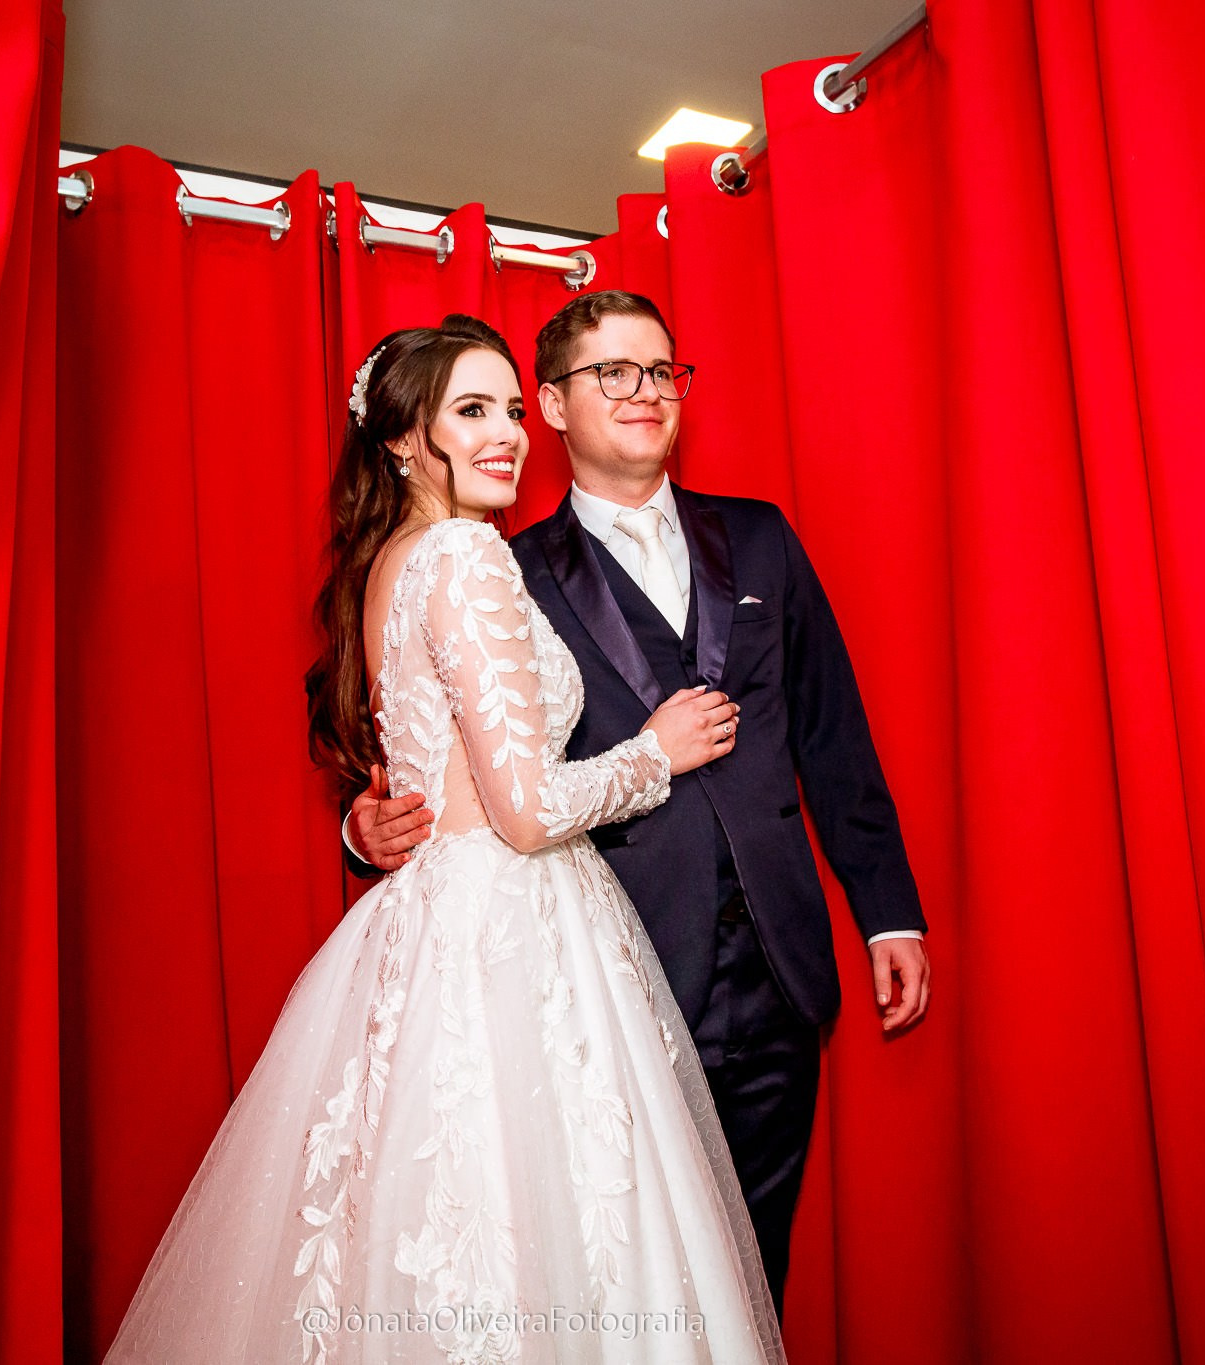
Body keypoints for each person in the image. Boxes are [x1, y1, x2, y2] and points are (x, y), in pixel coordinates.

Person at [103, 315, 787, 1363]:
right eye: (470, 411)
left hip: (428, 928)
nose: (505, 433)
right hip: (512, 925)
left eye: (511, 410)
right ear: (400, 438)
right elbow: (522, 812)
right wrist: (658, 750)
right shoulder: (467, 556)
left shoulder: (390, 564)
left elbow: (434, 772)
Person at [348, 291, 931, 1315]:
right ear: (557, 405)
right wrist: (364, 826)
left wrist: (887, 909)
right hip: (595, 989)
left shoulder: (759, 540)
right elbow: (424, 745)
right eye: (610, 372)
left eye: (660, 370)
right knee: (605, 1274)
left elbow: (833, 736)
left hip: (776, 978)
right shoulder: (496, 562)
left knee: (747, 1276)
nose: (642, 391)